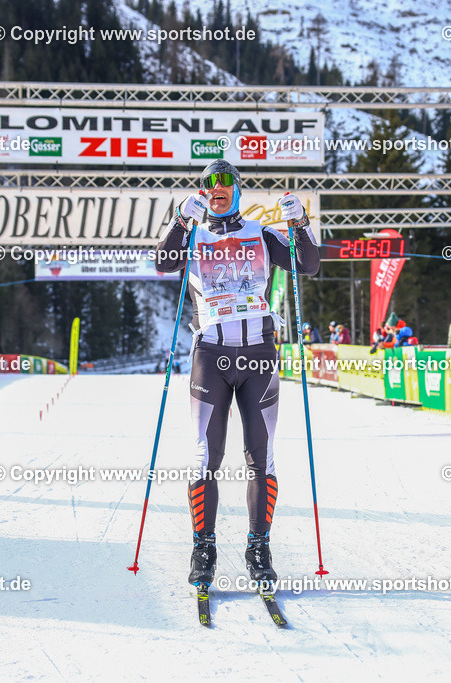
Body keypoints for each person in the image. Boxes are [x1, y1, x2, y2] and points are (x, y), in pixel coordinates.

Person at [154, 159, 319, 590]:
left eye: (225, 180)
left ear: (238, 189)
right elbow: (163, 263)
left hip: (258, 355)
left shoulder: (261, 234)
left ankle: (258, 548)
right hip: (210, 354)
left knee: (261, 458)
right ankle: (203, 548)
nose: (217, 186)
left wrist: (300, 224)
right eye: (209, 182)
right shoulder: (194, 236)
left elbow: (308, 265)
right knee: (205, 457)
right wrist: (179, 221)